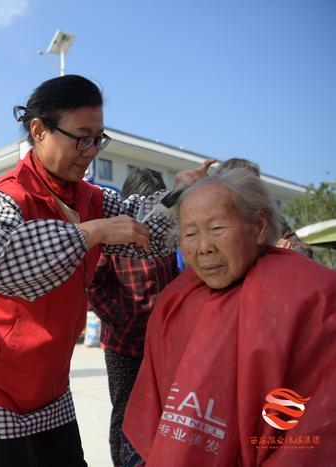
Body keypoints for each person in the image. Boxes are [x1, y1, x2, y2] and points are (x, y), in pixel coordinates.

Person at [0, 74, 212, 467]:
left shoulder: (92, 197)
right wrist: (90, 233)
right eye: (81, 137)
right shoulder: (3, 197)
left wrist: (179, 196)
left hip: (48, 378)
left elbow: (147, 232)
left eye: (98, 139)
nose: (90, 151)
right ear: (38, 130)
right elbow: (1, 263)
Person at [122, 169, 336, 466]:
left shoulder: (311, 296)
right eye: (191, 233)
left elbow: (319, 421)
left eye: (217, 228)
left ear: (259, 227)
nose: (204, 247)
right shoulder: (176, 298)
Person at [86, 168, 180, 467]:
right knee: (125, 415)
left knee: (162, 411)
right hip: (123, 346)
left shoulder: (163, 239)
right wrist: (123, 317)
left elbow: (173, 279)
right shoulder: (113, 240)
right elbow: (93, 285)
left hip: (162, 345)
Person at [216, 158, 313, 257]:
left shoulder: (272, 219)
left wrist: (283, 252)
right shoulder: (211, 219)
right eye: (247, 183)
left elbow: (304, 250)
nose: (254, 189)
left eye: (256, 183)